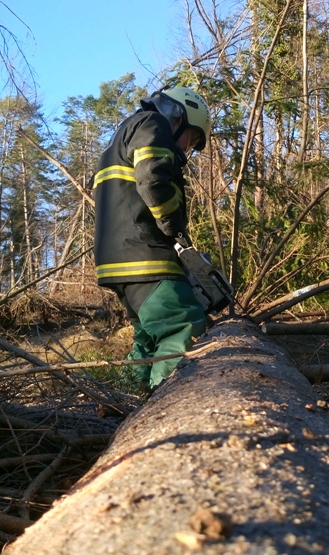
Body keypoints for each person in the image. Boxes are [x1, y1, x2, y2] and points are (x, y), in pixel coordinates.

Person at [92, 86, 212, 391]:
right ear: (178, 117)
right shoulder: (152, 123)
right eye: (191, 139)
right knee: (182, 325)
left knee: (146, 338)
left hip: (118, 260)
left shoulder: (122, 136)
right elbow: (153, 180)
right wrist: (174, 227)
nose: (187, 149)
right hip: (145, 256)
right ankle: (169, 402)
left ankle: (123, 398)